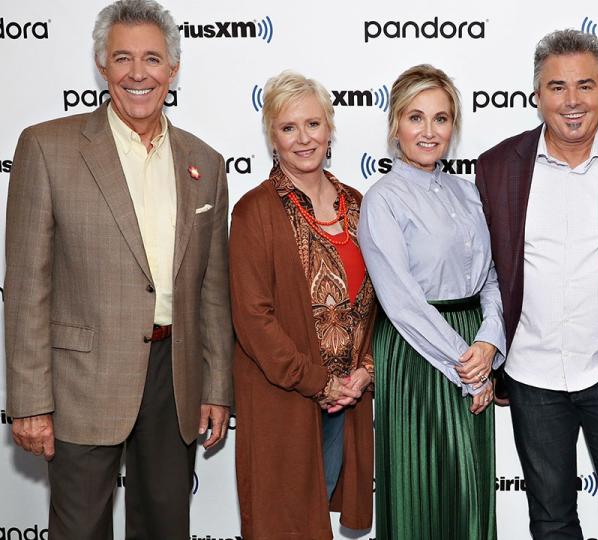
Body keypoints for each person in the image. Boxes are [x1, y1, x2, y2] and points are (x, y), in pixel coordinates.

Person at [3, 0, 233, 537]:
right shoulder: (47, 147)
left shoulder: (206, 162)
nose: (138, 73)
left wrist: (216, 384)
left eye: (152, 59)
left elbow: (213, 289)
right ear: (102, 66)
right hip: (81, 381)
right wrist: (30, 402)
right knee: (80, 529)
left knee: (164, 527)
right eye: (122, 58)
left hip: (174, 378)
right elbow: (26, 286)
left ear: (172, 69)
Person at [475, 29, 598, 539]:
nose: (572, 101)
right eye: (557, 87)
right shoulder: (497, 167)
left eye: (586, 85)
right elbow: (490, 272)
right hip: (531, 374)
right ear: (536, 94)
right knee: (551, 519)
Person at [358, 64, 505, 540]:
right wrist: (466, 366)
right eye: (415, 117)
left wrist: (489, 343)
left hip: (474, 347)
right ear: (395, 124)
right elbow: (401, 302)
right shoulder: (383, 199)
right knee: (425, 487)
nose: (428, 131)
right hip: (418, 354)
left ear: (453, 127)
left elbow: (492, 278)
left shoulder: (468, 193)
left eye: (440, 119)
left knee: (470, 491)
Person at [229, 71, 376, 539]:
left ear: (329, 128)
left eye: (312, 124)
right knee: (286, 525)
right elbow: (253, 320)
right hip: (286, 397)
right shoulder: (255, 210)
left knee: (317, 519)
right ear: (272, 137)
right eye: (288, 128)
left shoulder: (359, 205)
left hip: (346, 401)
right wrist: (320, 383)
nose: (303, 138)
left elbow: (381, 305)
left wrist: (364, 373)